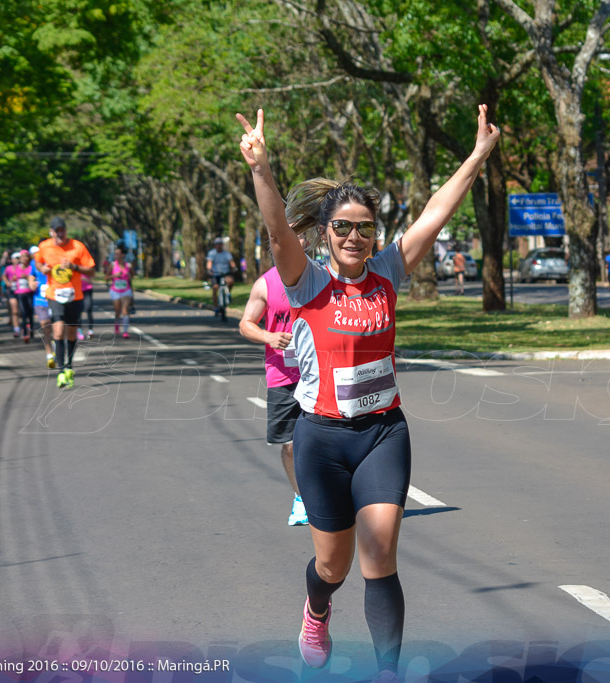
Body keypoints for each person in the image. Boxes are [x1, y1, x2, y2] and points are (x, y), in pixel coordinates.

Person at [237, 105, 499, 682]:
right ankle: (317, 608)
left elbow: (436, 211)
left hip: (383, 433)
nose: (355, 237)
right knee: (332, 566)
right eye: (343, 227)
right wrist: (260, 168)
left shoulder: (388, 272)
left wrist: (478, 156)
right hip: (321, 439)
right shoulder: (305, 281)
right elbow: (278, 229)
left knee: (379, 558)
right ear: (324, 233)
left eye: (365, 227)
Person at [239, 228, 313, 527]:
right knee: (291, 444)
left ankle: (331, 495)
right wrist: (268, 335)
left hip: (318, 372)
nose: (296, 241)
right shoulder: (266, 284)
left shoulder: (322, 276)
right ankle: (301, 498)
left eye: (301, 235)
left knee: (329, 438)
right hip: (282, 375)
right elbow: (246, 324)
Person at [35, 217, 96, 389]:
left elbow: (91, 271)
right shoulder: (45, 246)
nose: (60, 233)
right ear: (52, 232)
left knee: (71, 334)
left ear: (66, 230)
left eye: (62, 230)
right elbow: (38, 262)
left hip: (75, 296)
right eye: (57, 230)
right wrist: (42, 269)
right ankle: (61, 371)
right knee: (58, 331)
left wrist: (75, 267)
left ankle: (69, 366)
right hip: (54, 295)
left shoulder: (78, 247)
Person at [28, 246, 56, 367]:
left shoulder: (54, 261)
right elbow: (31, 279)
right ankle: (49, 354)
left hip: (55, 299)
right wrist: (32, 284)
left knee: (57, 329)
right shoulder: (34, 264)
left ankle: (58, 348)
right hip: (40, 300)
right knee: (45, 327)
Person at [106, 245, 134, 339]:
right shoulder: (112, 265)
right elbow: (106, 277)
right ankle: (117, 324)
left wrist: (129, 275)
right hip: (115, 290)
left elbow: (132, 276)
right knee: (117, 311)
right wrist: (114, 276)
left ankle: (125, 331)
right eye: (115, 254)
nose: (116, 255)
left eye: (118, 254)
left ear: (123, 255)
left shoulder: (128, 265)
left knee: (125, 310)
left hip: (126, 290)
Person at [206, 237, 235, 320]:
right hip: (216, 274)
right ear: (215, 246)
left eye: (221, 244)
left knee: (230, 281)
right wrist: (209, 270)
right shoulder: (212, 253)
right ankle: (216, 307)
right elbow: (209, 263)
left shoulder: (226, 254)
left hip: (225, 273)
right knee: (215, 288)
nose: (219, 246)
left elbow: (231, 262)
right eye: (218, 244)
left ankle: (228, 292)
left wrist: (234, 267)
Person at [14, 250, 35, 342]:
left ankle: (32, 329)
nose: (24, 258)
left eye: (26, 256)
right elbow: (13, 277)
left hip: (29, 292)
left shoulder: (31, 267)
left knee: (30, 311)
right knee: (23, 313)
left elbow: (33, 277)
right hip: (20, 293)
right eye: (22, 257)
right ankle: (25, 333)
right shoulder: (17, 267)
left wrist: (26, 277)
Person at [4, 252, 22, 336]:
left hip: (22, 291)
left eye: (19, 258)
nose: (17, 260)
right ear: (12, 260)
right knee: (14, 311)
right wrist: (8, 282)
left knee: (22, 311)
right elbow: (4, 276)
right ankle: (16, 329)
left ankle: (26, 326)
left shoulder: (23, 267)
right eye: (16, 258)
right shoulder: (8, 268)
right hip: (12, 291)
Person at [77, 267, 95, 340]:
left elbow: (93, 277)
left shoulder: (87, 265)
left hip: (87, 290)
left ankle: (90, 330)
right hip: (78, 291)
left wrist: (84, 279)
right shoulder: (73, 264)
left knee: (88, 308)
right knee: (78, 311)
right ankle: (79, 330)